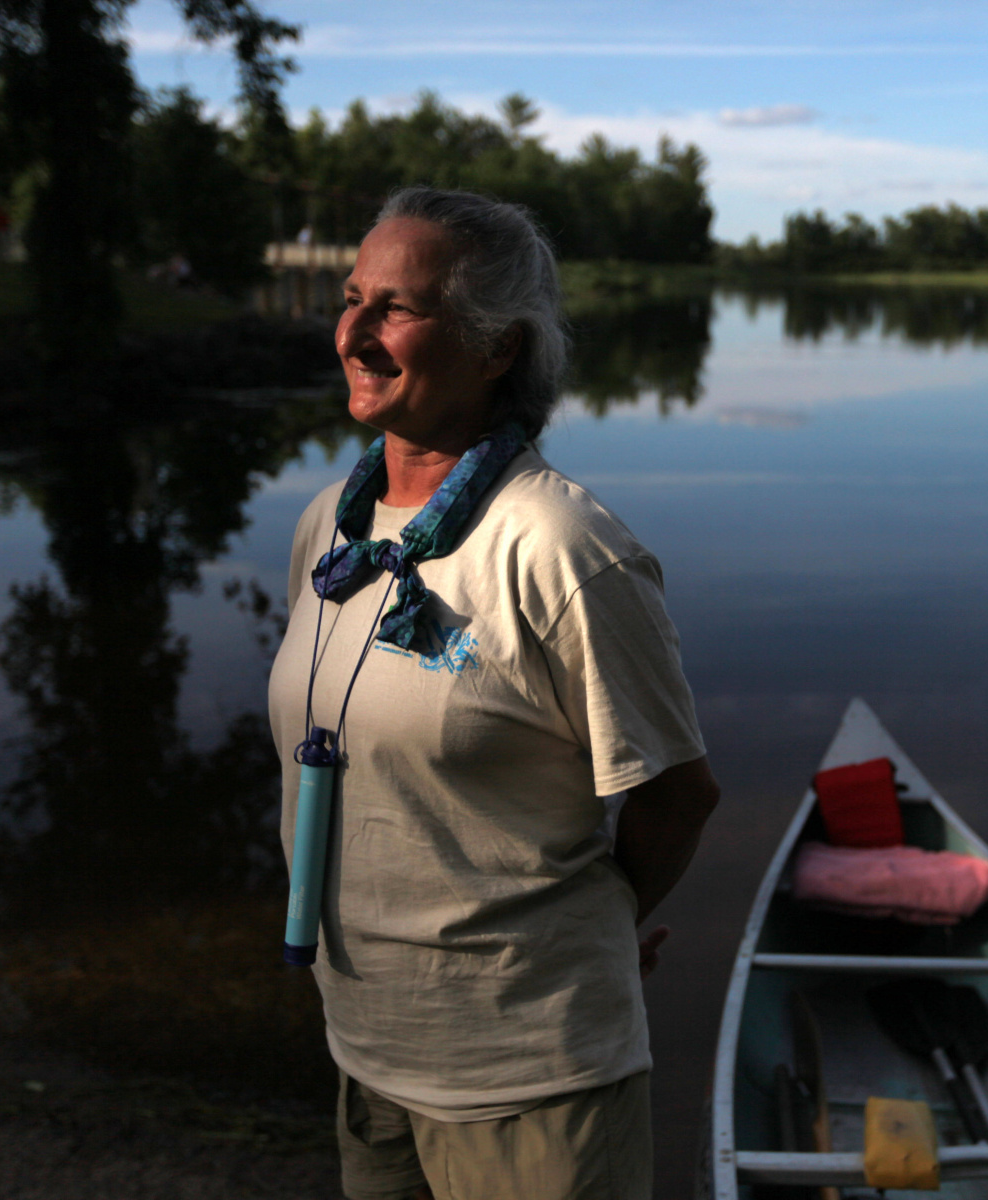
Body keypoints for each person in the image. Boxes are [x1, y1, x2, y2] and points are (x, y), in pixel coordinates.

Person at [267, 186, 719, 1200]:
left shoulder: (560, 549)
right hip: (369, 1056)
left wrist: (599, 924)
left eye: (398, 308)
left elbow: (677, 796)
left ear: (496, 347)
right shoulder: (326, 532)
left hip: (533, 1081)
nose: (355, 332)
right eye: (352, 298)